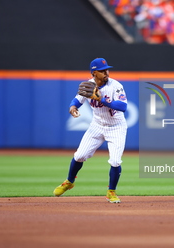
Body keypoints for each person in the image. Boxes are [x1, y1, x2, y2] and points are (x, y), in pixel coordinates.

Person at [53, 58, 128, 203]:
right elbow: (77, 99)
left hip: (116, 127)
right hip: (97, 126)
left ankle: (111, 192)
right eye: (102, 70)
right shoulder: (88, 85)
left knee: (115, 161)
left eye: (107, 69)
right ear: (94, 73)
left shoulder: (116, 86)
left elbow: (123, 107)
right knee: (79, 156)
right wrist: (73, 107)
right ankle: (69, 181)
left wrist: (103, 100)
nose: (106, 72)